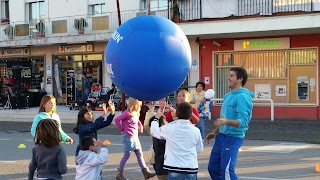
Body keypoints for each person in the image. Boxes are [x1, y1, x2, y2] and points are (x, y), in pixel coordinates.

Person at [206, 67, 253, 180]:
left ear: (240, 79)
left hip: (233, 138)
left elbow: (243, 122)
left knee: (227, 170)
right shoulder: (227, 96)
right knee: (213, 168)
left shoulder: (242, 97)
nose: (228, 78)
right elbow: (223, 119)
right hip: (221, 137)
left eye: (232, 76)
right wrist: (214, 132)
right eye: (229, 75)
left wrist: (227, 122)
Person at [150, 102, 203, 179]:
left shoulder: (170, 128)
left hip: (174, 167)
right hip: (191, 167)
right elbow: (199, 149)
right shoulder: (196, 130)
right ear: (191, 114)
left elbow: (154, 131)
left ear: (177, 114)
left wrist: (157, 117)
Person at [114, 97, 156, 180]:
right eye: (137, 105)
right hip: (128, 137)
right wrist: (122, 128)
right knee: (127, 155)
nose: (139, 107)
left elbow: (137, 121)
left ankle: (145, 172)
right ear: (133, 105)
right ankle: (119, 174)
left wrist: (140, 127)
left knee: (139, 154)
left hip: (135, 137)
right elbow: (116, 120)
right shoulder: (127, 113)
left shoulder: (135, 113)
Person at [144, 99, 168, 180]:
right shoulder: (161, 135)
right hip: (163, 165)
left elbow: (148, 123)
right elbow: (148, 124)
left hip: (158, 163)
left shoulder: (154, 132)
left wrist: (153, 110)